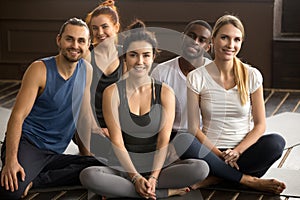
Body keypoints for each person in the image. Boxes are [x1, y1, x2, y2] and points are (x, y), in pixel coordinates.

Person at [79, 20, 209, 199]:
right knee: (89, 175)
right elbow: (117, 141)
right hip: (123, 168)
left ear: (154, 56)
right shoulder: (113, 92)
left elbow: (163, 140)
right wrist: (135, 177)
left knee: (200, 168)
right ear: (125, 56)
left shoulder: (164, 92)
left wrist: (153, 177)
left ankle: (132, 191)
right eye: (133, 55)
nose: (140, 61)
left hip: (157, 169)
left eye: (146, 55)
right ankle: (164, 193)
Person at [175, 14, 286, 194]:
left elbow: (260, 125)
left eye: (236, 39)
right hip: (210, 153)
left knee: (276, 142)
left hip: (243, 153)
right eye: (224, 37)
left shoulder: (252, 75)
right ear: (214, 40)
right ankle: (247, 180)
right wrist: (221, 156)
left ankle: (218, 178)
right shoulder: (197, 77)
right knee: (183, 140)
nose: (230, 45)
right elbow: (194, 128)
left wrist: (237, 152)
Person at [0, 17, 104, 199]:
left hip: (55, 152)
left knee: (101, 166)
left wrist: (85, 158)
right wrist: (11, 161)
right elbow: (17, 117)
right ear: (59, 40)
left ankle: (37, 180)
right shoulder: (39, 69)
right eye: (69, 39)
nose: (75, 45)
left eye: (81, 41)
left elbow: (83, 119)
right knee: (11, 192)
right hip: (29, 145)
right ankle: (27, 173)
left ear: (88, 45)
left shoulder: (87, 70)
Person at [151, 20, 212, 136]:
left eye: (202, 40)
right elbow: (153, 117)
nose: (195, 42)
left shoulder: (215, 73)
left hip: (204, 138)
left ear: (208, 47)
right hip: (170, 135)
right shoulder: (161, 72)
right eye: (191, 36)